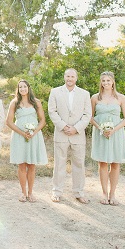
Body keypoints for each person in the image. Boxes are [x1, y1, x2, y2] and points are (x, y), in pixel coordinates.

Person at [48, 68, 92, 204]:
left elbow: (87, 114)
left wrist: (76, 128)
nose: (70, 79)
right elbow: (52, 111)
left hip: (77, 135)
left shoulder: (84, 94)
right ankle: (57, 191)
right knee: (59, 164)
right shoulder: (55, 92)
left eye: (72, 76)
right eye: (67, 76)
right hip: (61, 133)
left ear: (76, 78)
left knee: (79, 164)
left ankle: (79, 192)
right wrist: (64, 126)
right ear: (64, 77)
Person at [90, 71, 125, 206]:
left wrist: (114, 130)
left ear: (113, 82)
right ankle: (104, 193)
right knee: (102, 163)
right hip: (101, 133)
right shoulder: (95, 98)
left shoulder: (121, 98)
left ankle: (113, 193)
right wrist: (100, 128)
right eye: (103, 81)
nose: (106, 83)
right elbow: (89, 117)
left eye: (108, 80)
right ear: (100, 83)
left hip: (116, 133)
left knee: (115, 163)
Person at [6, 80, 48, 203]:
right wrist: (22, 133)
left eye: (25, 86)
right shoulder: (14, 103)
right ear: (18, 89)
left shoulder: (36, 102)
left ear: (28, 88)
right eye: (20, 87)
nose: (23, 89)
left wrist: (34, 132)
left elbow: (42, 121)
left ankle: (31, 193)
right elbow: (8, 121)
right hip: (20, 136)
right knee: (22, 164)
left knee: (31, 165)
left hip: (33, 136)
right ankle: (23, 193)